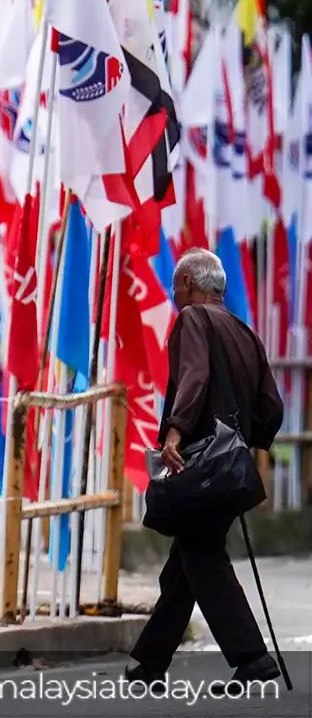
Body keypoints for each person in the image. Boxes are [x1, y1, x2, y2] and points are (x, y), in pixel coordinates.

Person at [125, 248, 284, 685]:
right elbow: (271, 406)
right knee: (187, 563)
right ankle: (150, 663)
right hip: (232, 466)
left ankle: (253, 659)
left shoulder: (193, 319)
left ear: (191, 285)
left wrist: (175, 430)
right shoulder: (244, 330)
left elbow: (193, 376)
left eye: (176, 287)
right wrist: (242, 444)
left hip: (198, 467)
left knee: (201, 558)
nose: (175, 296)